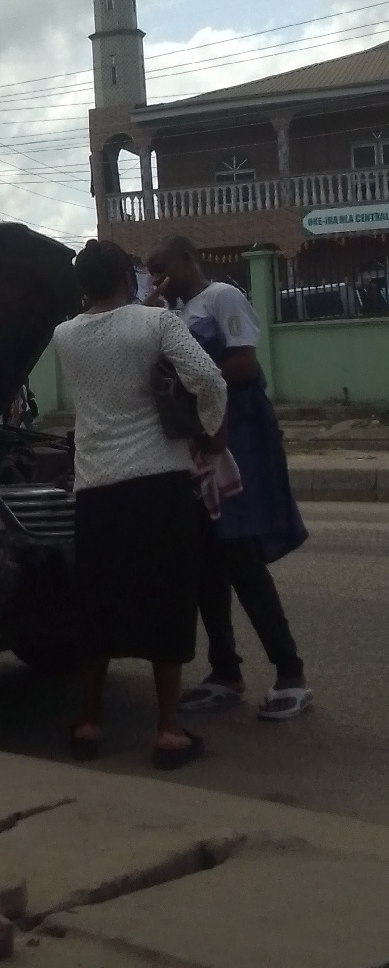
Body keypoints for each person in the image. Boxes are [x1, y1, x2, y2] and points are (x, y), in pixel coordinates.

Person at [54, 239, 227, 770]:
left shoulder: (64, 335)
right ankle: (168, 731)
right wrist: (209, 430)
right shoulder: (157, 324)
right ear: (126, 278)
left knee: (97, 603)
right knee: (167, 602)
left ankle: (88, 724)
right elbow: (207, 378)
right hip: (158, 484)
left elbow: (111, 338)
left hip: (96, 485)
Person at [146, 237, 312, 721]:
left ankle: (290, 672)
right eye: (151, 271)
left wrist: (190, 377)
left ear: (188, 259)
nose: (158, 278)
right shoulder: (173, 314)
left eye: (163, 267)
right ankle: (225, 671)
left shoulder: (222, 297)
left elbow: (243, 362)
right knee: (206, 560)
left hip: (238, 436)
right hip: (200, 442)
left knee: (240, 555)